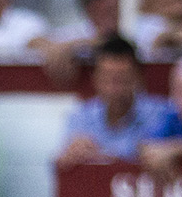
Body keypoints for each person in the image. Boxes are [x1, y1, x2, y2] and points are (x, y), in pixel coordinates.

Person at [58, 34, 167, 162]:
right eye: (107, 79)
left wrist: (101, 156)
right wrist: (72, 154)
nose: (114, 88)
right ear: (95, 78)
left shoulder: (161, 115)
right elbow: (61, 163)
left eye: (121, 79)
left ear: (138, 78)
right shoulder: (80, 117)